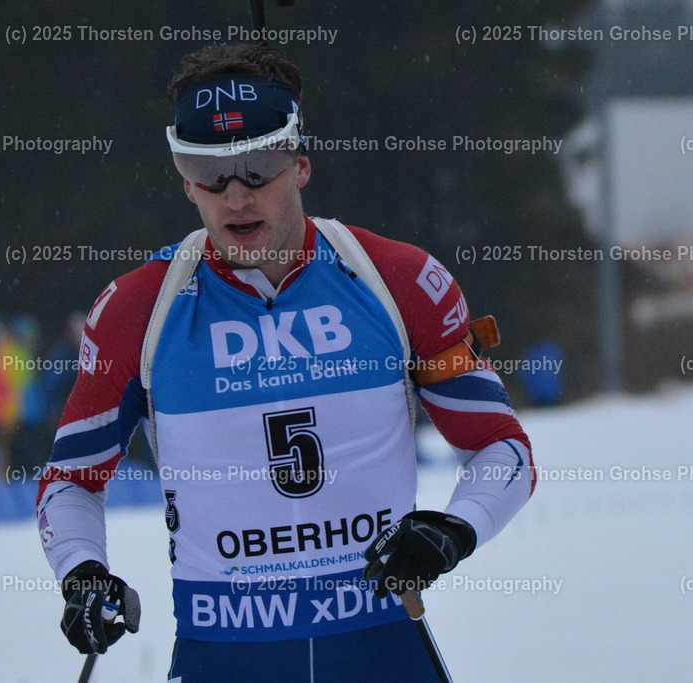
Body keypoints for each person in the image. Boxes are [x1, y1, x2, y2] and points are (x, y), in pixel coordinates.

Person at [37, 43, 535, 681]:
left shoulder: (399, 281)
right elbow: (70, 480)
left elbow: (501, 447)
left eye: (258, 168)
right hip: (224, 653)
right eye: (209, 172)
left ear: (301, 164)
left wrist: (454, 530)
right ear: (184, 180)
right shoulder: (137, 311)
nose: (235, 197)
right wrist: (83, 574)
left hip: (378, 645)